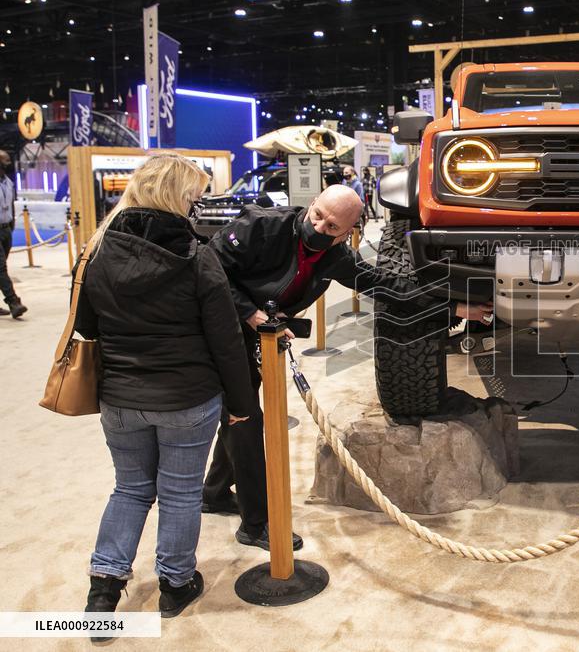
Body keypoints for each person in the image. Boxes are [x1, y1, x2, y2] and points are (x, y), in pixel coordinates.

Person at [202, 185, 491, 550]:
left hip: (260, 332)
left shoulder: (335, 258)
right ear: (311, 205)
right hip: (223, 327)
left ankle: (213, 493)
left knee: (238, 413)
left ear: (348, 232)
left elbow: (392, 289)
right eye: (317, 215)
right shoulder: (262, 226)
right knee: (245, 419)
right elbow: (209, 267)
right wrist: (249, 312)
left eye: (332, 226)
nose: (319, 227)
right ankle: (257, 524)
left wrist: (455, 309)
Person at [72, 153, 256, 628]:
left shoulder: (95, 251)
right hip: (187, 399)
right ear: (177, 198)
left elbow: (86, 327)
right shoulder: (198, 258)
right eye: (194, 196)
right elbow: (227, 342)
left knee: (130, 489)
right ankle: (175, 585)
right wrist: (240, 405)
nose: (198, 204)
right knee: (178, 493)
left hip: (120, 398)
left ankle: (103, 592)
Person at [0, 150, 26, 318]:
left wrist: (12, 225)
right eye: (5, 161)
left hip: (6, 229)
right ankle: (13, 302)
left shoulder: (8, 182)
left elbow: (10, 204)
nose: (8, 164)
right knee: (0, 268)